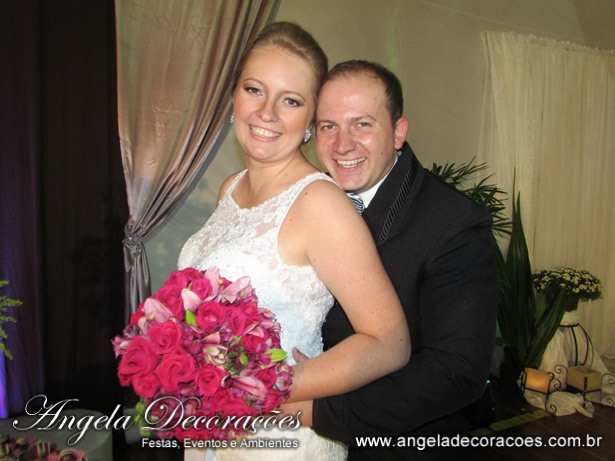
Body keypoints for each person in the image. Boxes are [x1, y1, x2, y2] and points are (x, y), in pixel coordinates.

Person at [178, 25, 410, 461]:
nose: (266, 112)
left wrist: (265, 387)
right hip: (213, 429)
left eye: (290, 101)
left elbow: (389, 341)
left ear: (309, 122)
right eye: (254, 90)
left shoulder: (319, 202)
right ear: (233, 97)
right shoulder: (230, 187)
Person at [284, 60, 498, 460]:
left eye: (362, 124)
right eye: (328, 126)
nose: (342, 144)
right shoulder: (308, 199)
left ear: (399, 132)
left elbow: (456, 371)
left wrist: (320, 411)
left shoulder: (454, 225)